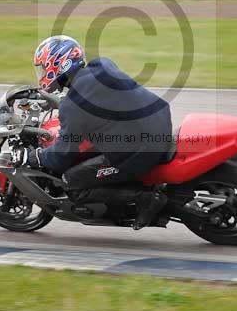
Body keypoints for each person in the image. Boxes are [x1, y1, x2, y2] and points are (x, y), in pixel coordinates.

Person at [17, 35, 171, 230]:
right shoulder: (103, 65)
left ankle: (145, 199)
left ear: (59, 65)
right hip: (159, 122)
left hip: (142, 150)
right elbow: (99, 95)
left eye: (45, 68)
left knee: (71, 181)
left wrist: (34, 156)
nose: (43, 74)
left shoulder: (73, 106)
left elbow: (62, 156)